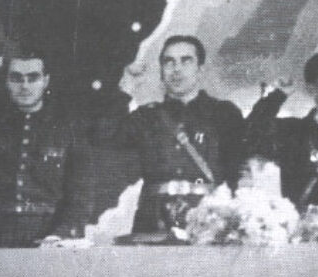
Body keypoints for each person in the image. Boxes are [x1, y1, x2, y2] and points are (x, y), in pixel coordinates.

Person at [101, 35, 245, 234]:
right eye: (169, 62)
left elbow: (237, 172)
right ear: (161, 71)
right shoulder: (146, 116)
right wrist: (126, 89)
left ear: (200, 70)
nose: (176, 69)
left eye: (186, 61)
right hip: (153, 221)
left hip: (207, 220)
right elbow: (103, 137)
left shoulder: (224, 113)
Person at [0, 47, 86, 247]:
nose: (24, 86)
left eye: (33, 78)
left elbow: (81, 193)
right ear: (6, 82)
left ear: (45, 81)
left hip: (49, 236)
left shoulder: (67, 130)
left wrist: (61, 235)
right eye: (16, 78)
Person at [245, 50, 318, 241]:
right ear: (312, 89)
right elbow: (247, 136)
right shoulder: (292, 132)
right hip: (305, 239)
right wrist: (277, 96)